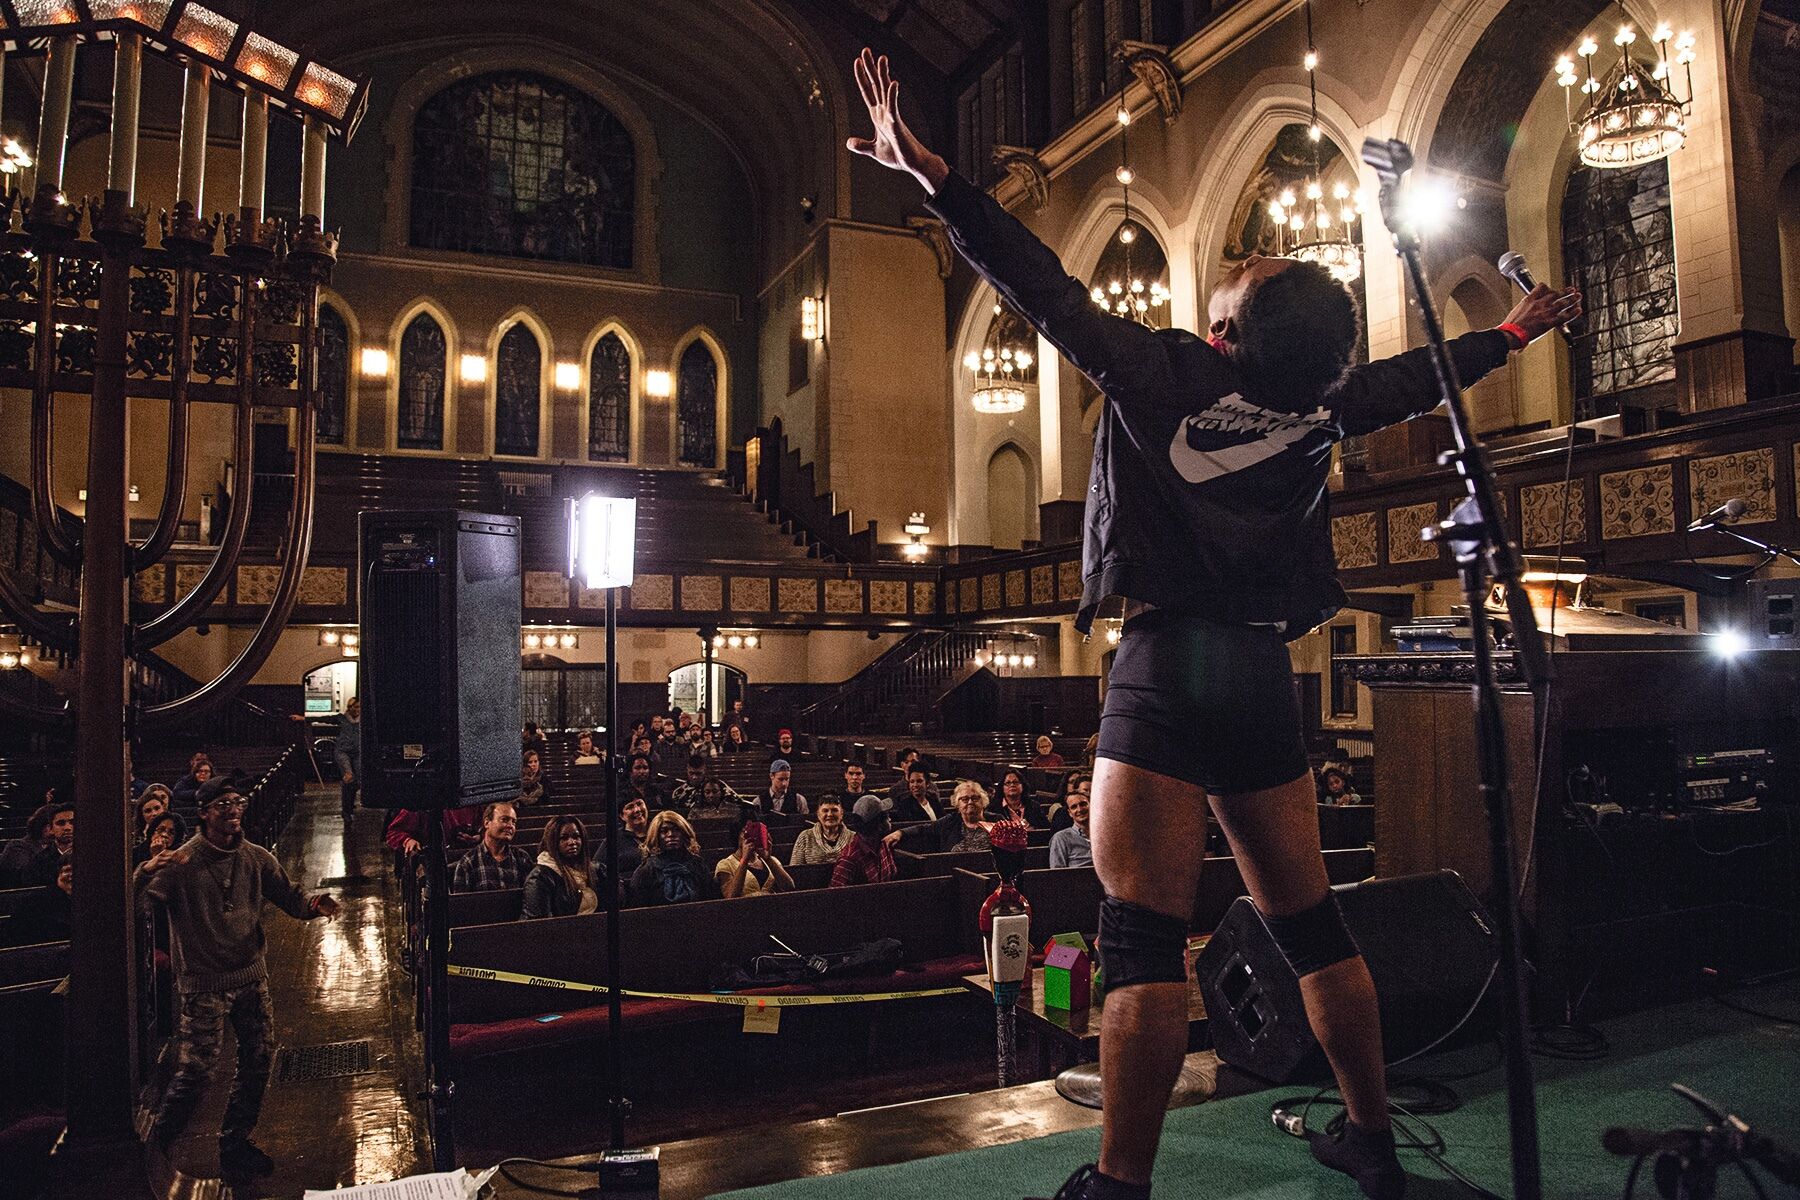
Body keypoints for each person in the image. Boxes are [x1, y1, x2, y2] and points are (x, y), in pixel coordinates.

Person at [847, 48, 1580, 1200]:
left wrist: (939, 181)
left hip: (1162, 667)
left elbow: (1041, 285)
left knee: (1140, 940)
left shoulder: (1159, 374)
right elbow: (1412, 380)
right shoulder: (1322, 400)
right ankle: (1373, 1141)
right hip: (1256, 672)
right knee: (1314, 929)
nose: (1235, 270)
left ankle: (1120, 1184)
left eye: (1243, 278)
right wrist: (1517, 332)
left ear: (1231, 331)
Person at [141, 778, 340, 1181]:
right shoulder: (181, 862)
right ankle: (154, 1149)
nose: (233, 810)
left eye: (237, 802)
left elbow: (290, 895)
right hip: (204, 983)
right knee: (197, 1072)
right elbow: (138, 906)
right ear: (204, 813)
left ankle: (235, 1143)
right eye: (222, 805)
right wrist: (143, 872)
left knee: (258, 1060)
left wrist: (315, 904)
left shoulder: (255, 856)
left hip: (250, 976)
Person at [627, 811, 720, 906]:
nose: (671, 834)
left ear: (684, 833)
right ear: (656, 836)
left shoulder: (697, 865)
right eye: (664, 831)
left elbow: (711, 900)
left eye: (676, 830)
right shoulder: (647, 871)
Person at [521, 817, 601, 918]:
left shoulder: (595, 870)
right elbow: (540, 922)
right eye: (564, 838)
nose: (572, 842)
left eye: (576, 836)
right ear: (552, 842)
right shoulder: (539, 878)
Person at [451, 802, 533, 892]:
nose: (510, 826)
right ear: (487, 823)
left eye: (514, 822)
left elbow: (532, 895)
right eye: (504, 820)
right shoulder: (468, 862)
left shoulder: (522, 858)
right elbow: (461, 900)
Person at [829, 795, 903, 887]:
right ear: (879, 825)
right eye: (887, 817)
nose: (890, 819)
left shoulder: (883, 844)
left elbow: (892, 876)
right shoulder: (849, 859)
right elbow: (835, 893)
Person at [902, 780, 993, 853]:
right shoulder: (950, 821)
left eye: (975, 798)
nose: (970, 802)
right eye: (964, 799)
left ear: (983, 801)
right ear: (957, 804)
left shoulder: (995, 821)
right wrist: (901, 833)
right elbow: (924, 829)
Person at [715, 820, 794, 898]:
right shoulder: (726, 864)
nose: (753, 836)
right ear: (737, 836)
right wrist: (745, 860)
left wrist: (768, 859)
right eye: (746, 832)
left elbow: (789, 887)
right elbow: (730, 896)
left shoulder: (772, 860)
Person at [593, 796, 652, 897]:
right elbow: (596, 868)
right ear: (622, 816)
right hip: (627, 893)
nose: (637, 809)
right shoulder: (613, 839)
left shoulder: (659, 832)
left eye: (639, 804)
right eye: (630, 807)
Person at [0, 801, 59, 886]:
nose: (67, 828)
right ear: (42, 824)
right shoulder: (17, 847)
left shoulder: (59, 846)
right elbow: (24, 878)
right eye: (59, 823)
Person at [790, 795, 856, 866]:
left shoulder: (854, 838)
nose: (830, 814)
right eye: (825, 811)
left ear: (842, 813)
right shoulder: (805, 837)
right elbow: (795, 869)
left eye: (834, 810)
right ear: (818, 814)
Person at [753, 758, 809, 826]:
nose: (784, 784)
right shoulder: (758, 801)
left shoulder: (799, 800)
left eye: (787, 779)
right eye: (780, 779)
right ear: (771, 776)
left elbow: (805, 824)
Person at [1049, 785, 1095, 869]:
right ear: (1070, 813)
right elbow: (1057, 873)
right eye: (1074, 807)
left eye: (1083, 804)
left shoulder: (1105, 834)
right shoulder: (1061, 838)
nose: (1079, 809)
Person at [334, 698, 362, 822]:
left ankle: (350, 803)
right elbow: (325, 718)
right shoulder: (342, 718)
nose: (357, 710)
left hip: (357, 753)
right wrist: (303, 718)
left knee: (358, 780)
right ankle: (346, 811)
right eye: (354, 707)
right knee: (349, 777)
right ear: (349, 708)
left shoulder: (363, 720)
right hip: (343, 752)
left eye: (359, 707)